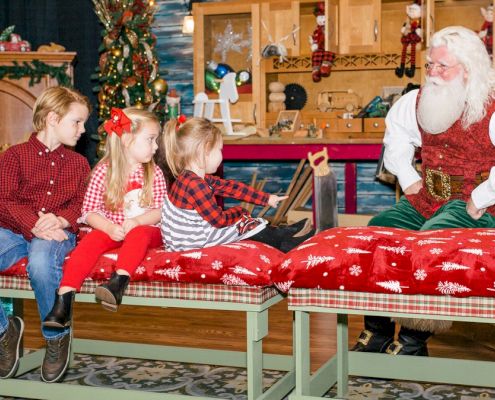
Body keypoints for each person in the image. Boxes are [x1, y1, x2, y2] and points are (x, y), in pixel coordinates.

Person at [352, 26, 495, 357]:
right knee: (379, 230)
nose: (432, 74)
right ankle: (377, 331)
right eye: (430, 65)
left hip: (485, 207)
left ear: (469, 67)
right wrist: (408, 177)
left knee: (433, 239)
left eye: (442, 66)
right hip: (429, 198)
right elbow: (396, 137)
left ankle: (413, 342)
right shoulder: (419, 100)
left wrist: (483, 195)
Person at [43, 108, 167, 368]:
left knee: (140, 234)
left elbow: (159, 211)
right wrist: (109, 228)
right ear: (127, 140)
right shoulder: (103, 171)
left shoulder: (152, 173)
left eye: (156, 140)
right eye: (151, 139)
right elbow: (88, 212)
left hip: (146, 230)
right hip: (114, 228)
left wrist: (137, 221)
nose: (155, 147)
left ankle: (117, 283)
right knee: (90, 241)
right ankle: (63, 301)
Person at [0, 86, 91, 382]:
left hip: (54, 237)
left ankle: (56, 336)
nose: (82, 129)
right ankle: (5, 330)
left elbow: (81, 204)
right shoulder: (14, 156)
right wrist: (34, 223)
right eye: (76, 122)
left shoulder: (78, 163)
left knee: (41, 263)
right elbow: (5, 199)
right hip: (13, 231)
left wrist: (62, 221)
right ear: (52, 118)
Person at [160, 117, 313, 252]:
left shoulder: (189, 178)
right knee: (244, 224)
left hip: (188, 239)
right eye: (219, 149)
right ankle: (284, 242)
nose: (222, 154)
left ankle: (281, 232)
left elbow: (231, 188)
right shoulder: (196, 186)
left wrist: (266, 198)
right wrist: (240, 212)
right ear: (206, 150)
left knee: (244, 222)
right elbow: (219, 221)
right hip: (195, 242)